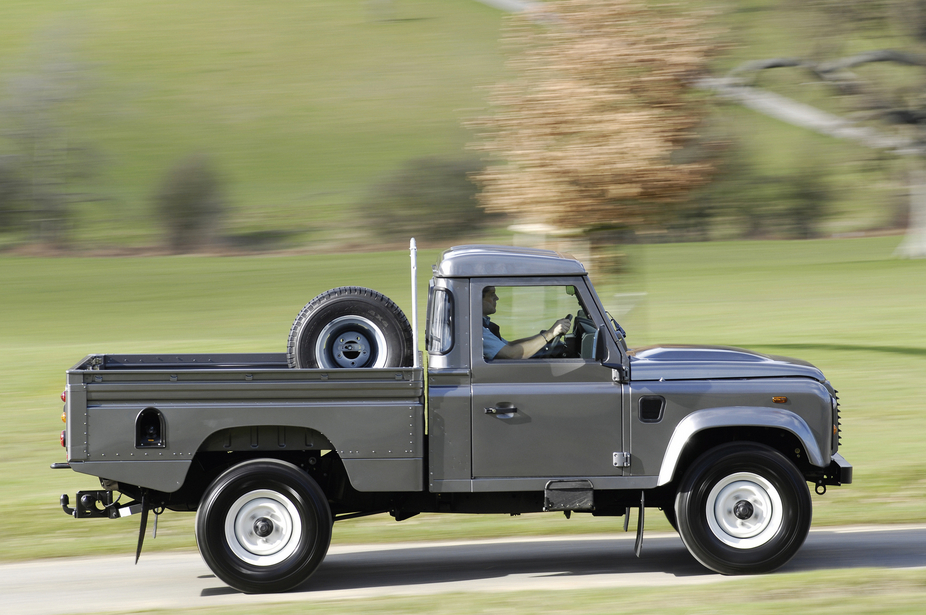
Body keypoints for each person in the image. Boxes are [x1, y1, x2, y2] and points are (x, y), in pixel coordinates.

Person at [482, 286, 573, 360]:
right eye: (491, 294)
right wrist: (550, 334)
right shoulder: (477, 331)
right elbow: (511, 354)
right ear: (478, 299)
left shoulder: (483, 326)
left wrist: (544, 336)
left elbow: (509, 345)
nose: (497, 298)